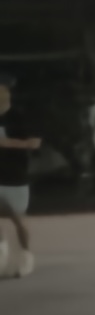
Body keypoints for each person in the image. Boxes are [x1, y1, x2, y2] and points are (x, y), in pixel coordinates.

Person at [0, 75, 40, 226]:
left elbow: (35, 143)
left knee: (19, 219)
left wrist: (7, 143)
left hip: (15, 177)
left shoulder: (20, 117)